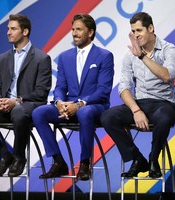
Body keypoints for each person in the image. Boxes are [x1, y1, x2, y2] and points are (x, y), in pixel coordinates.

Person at [32, 13, 114, 181]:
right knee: (39, 113)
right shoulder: (64, 57)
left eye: (79, 29)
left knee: (84, 112)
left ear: (90, 33)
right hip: (69, 106)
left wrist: (80, 104)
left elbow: (103, 90)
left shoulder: (104, 56)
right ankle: (58, 161)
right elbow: (60, 86)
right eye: (73, 29)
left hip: (95, 106)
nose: (75, 33)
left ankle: (85, 164)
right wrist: (60, 102)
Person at [0, 14, 52, 177]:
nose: (8, 32)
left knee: (19, 111)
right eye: (8, 29)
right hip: (4, 106)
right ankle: (4, 155)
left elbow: (41, 92)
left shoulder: (42, 58)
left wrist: (17, 101)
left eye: (13, 29)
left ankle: (19, 157)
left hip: (27, 106)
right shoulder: (2, 58)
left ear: (25, 31)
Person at [101, 12, 175, 178]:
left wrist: (142, 56)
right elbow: (124, 87)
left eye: (139, 30)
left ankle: (153, 159)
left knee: (165, 118)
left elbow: (166, 75)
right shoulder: (130, 55)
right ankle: (137, 159)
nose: (136, 35)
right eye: (133, 32)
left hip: (163, 103)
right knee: (108, 116)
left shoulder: (168, 49)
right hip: (140, 103)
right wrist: (136, 110)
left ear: (150, 28)